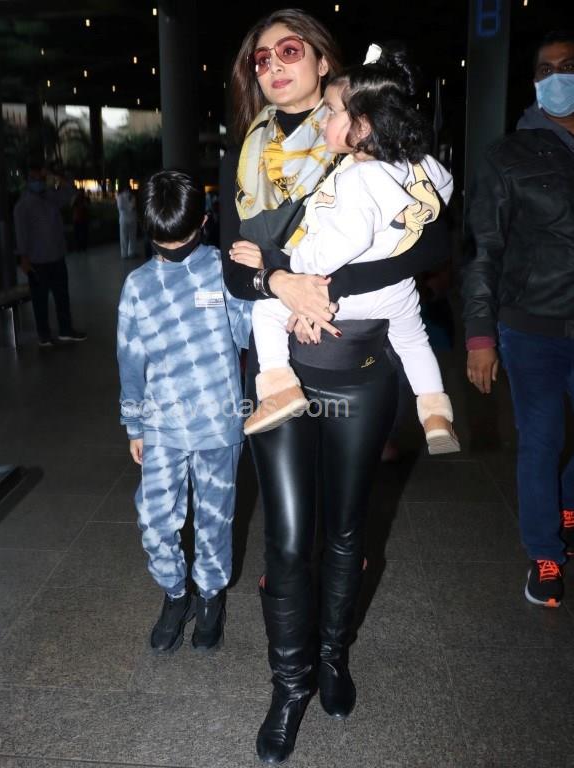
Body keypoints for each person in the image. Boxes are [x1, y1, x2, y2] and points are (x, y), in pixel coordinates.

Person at [221, 9, 453, 764]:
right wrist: (281, 282)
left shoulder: (374, 143)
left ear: (324, 62)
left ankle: (331, 656)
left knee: (348, 530)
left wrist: (326, 283)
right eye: (260, 59)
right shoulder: (248, 155)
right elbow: (233, 266)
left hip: (361, 370)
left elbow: (436, 241)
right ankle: (289, 684)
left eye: (289, 50)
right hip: (282, 371)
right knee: (290, 538)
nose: (273, 66)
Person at [243, 47, 459, 458]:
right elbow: (443, 187)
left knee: (266, 310)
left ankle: (277, 388)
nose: (323, 119)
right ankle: (435, 413)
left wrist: (297, 273)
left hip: (349, 292)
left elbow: (345, 241)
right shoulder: (419, 164)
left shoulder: (360, 178)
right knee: (414, 340)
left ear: (362, 124)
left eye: (331, 111)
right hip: (396, 290)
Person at [117, 170, 251, 655]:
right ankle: (177, 594)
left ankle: (210, 597)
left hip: (218, 422)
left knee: (214, 519)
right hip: (161, 425)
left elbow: (248, 336)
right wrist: (134, 423)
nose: (173, 250)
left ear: (204, 223)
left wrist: (257, 280)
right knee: (154, 519)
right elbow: (130, 359)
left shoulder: (223, 270)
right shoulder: (138, 285)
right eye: (162, 241)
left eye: (182, 238)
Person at [463, 30, 574, 609]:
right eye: (545, 69)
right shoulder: (509, 155)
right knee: (542, 439)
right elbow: (485, 249)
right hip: (532, 326)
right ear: (533, 82)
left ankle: (565, 505)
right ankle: (544, 552)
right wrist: (480, 334)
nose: (557, 77)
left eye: (567, 66)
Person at [13, 165, 87, 347]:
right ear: (27, 181)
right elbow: (21, 234)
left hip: (57, 256)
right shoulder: (22, 205)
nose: (38, 182)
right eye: (34, 179)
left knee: (62, 296)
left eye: (40, 178)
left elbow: (71, 191)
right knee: (40, 299)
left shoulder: (51, 197)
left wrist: (55, 176)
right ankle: (44, 335)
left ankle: (65, 330)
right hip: (37, 261)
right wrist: (23, 258)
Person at [116, 181, 138, 259]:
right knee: (132, 237)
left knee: (124, 237)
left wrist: (128, 207)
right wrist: (130, 206)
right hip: (131, 219)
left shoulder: (120, 196)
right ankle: (131, 252)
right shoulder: (132, 196)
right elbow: (132, 207)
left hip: (124, 219)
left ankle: (124, 254)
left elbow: (120, 207)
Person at [71, 188, 90, 252]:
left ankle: (82, 247)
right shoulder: (76, 199)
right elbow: (72, 206)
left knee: (82, 234)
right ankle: (80, 247)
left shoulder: (85, 199)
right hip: (78, 218)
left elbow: (88, 206)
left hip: (82, 218)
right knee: (79, 234)